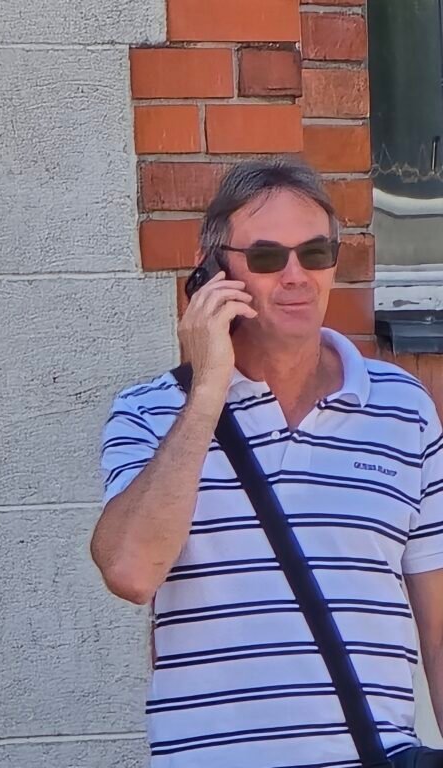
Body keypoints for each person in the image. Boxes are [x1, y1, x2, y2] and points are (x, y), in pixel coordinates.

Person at [91, 158, 443, 767]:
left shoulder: (402, 407)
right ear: (212, 273)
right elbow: (130, 571)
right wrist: (208, 389)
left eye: (315, 253)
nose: (296, 275)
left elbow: (438, 624)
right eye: (266, 257)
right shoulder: (150, 412)